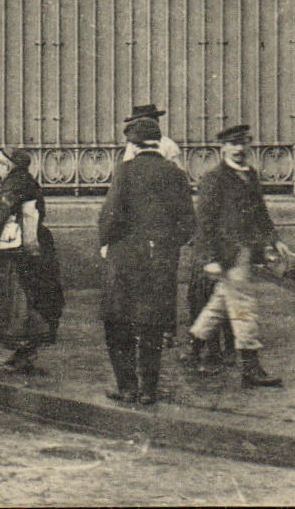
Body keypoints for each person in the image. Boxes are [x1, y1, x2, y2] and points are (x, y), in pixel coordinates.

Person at [97, 114, 195, 404]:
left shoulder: (125, 171)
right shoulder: (176, 174)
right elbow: (189, 224)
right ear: (159, 143)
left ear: (135, 146)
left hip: (126, 259)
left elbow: (110, 215)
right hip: (161, 261)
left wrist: (107, 243)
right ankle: (149, 390)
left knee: (119, 323)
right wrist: (165, 245)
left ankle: (127, 387)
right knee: (152, 326)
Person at [188, 124, 286, 389]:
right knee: (244, 307)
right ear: (223, 148)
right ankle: (251, 368)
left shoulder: (250, 175)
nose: (240, 149)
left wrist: (274, 241)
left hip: (245, 251)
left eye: (244, 143)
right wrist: (209, 258)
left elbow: (260, 214)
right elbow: (204, 222)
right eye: (234, 144)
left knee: (220, 304)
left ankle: (194, 348)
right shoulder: (214, 179)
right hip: (226, 255)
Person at [0, 149, 65, 374]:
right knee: (33, 297)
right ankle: (23, 354)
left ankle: (23, 353)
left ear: (7, 165)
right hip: (34, 246)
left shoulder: (13, 183)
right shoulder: (26, 180)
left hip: (18, 249)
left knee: (17, 301)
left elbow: (2, 212)